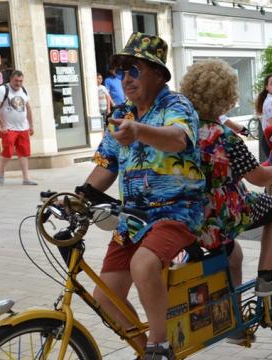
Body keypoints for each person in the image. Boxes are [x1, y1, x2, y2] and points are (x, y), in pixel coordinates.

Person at [84, 33, 204, 360]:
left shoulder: (175, 104)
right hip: (133, 219)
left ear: (157, 74)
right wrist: (81, 196)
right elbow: (106, 165)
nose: (125, 79)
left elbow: (178, 139)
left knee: (144, 264)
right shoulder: (122, 112)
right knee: (104, 297)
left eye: (133, 71)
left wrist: (139, 131)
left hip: (176, 212)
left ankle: (160, 344)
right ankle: (147, 350)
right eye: (122, 72)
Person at [181, 60, 272, 342]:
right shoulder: (225, 137)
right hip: (226, 210)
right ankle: (266, 276)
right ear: (225, 97)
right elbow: (260, 178)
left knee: (234, 255)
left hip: (195, 213)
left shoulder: (184, 132)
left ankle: (233, 325)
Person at [0, 70, 37, 186]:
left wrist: (31, 125)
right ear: (11, 79)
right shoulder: (3, 89)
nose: (18, 83)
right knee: (8, 151)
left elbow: (28, 108)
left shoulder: (24, 90)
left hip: (23, 127)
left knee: (23, 153)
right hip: (8, 127)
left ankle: (26, 178)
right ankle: (1, 171)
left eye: (21, 81)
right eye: (16, 81)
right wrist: (2, 124)